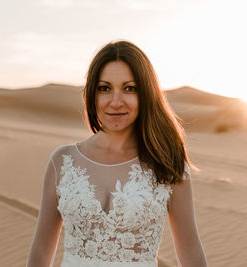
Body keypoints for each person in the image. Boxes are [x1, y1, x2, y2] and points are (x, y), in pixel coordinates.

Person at [26, 40, 208, 267]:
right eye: (104, 88)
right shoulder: (63, 162)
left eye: (129, 88)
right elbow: (41, 250)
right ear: (92, 94)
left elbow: (190, 251)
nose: (115, 101)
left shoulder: (168, 163)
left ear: (146, 94)